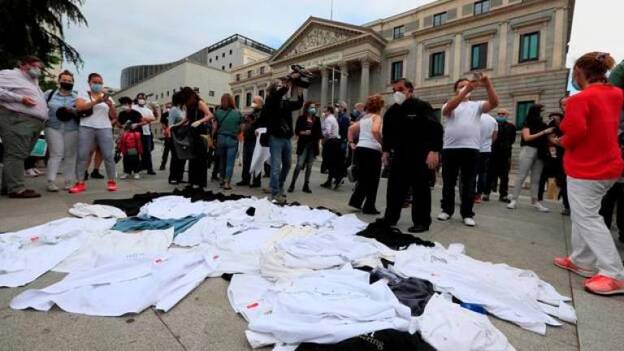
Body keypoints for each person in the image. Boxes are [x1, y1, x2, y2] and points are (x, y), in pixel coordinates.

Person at [554, 52, 624, 296]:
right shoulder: (617, 94)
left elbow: (575, 133)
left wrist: (562, 137)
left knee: (587, 217)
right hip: (610, 164)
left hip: (587, 167)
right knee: (586, 213)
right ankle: (581, 260)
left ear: (579, 72)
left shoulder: (579, 99)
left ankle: (614, 273)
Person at [380, 78, 443, 233]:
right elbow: (387, 133)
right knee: (394, 188)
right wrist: (386, 151)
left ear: (410, 90)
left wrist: (434, 151)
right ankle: (390, 218)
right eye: (394, 90)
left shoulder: (422, 106)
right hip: (399, 155)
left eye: (400, 89)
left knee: (420, 189)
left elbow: (436, 128)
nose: (397, 93)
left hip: (420, 155)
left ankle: (422, 222)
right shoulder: (392, 111)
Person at [438, 74, 499, 227]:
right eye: (461, 86)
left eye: (467, 85)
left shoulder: (477, 105)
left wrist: (487, 84)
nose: (465, 88)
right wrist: (464, 91)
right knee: (449, 182)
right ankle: (447, 210)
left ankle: (467, 213)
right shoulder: (449, 103)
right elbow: (447, 111)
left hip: (471, 149)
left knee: (469, 183)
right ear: (456, 90)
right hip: (450, 149)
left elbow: (494, 103)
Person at [0, 56, 47, 198]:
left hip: (31, 122)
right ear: (23, 65)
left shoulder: (33, 81)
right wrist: (20, 99)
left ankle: (8, 186)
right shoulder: (10, 74)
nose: (38, 70)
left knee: (20, 154)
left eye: (40, 67)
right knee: (16, 153)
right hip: (18, 119)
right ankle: (16, 189)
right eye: (35, 66)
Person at [70, 73, 118, 193]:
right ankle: (80, 182)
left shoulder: (108, 98)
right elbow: (79, 107)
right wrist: (96, 101)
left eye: (99, 82)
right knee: (82, 155)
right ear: (89, 82)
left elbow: (114, 116)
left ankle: (111, 181)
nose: (97, 84)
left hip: (105, 127)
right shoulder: (83, 94)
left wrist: (110, 106)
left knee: (108, 155)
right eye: (95, 82)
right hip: (86, 126)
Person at [258, 79, 304, 203]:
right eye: (278, 85)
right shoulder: (271, 100)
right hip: (275, 138)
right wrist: (287, 85)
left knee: (288, 164)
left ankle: (280, 185)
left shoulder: (285, 102)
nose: (281, 87)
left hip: (286, 138)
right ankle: (275, 192)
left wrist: (300, 94)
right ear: (274, 88)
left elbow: (298, 105)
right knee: (276, 166)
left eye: (281, 85)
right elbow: (277, 96)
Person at [506, 104, 553, 211]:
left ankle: (535, 201)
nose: (542, 113)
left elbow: (550, 138)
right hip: (528, 149)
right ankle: (514, 199)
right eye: (541, 111)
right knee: (521, 176)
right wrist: (544, 132)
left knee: (536, 178)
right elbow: (527, 138)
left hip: (540, 151)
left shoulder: (544, 124)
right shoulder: (527, 123)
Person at [347, 95, 384, 214]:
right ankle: (369, 206)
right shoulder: (377, 117)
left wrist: (351, 142)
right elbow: (375, 130)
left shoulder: (364, 118)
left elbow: (351, 129)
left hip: (361, 148)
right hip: (372, 150)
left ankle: (356, 201)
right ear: (380, 106)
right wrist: (382, 144)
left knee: (363, 178)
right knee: (373, 179)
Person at [44, 70, 79, 192]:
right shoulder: (49, 94)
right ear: (59, 81)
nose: (67, 82)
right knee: (56, 153)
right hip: (53, 126)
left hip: (72, 128)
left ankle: (69, 181)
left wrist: (72, 111)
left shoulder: (77, 96)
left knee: (70, 155)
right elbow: (41, 107)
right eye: (64, 80)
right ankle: (51, 181)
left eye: (69, 81)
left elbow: (82, 111)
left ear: (73, 82)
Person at [178, 87, 214, 190]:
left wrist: (200, 121)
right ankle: (192, 180)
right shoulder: (188, 105)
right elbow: (186, 119)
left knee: (200, 158)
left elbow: (210, 115)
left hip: (200, 133)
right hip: (192, 132)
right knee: (192, 158)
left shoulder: (200, 103)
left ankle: (200, 182)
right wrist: (175, 125)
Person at [537, 111, 570, 214]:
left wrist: (555, 140)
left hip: (561, 159)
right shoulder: (548, 128)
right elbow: (544, 139)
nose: (552, 119)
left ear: (561, 119)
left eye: (555, 117)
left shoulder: (565, 129)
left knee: (563, 182)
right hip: (548, 158)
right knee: (541, 179)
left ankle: (566, 206)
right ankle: (538, 201)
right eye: (551, 117)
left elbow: (564, 143)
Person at [288, 102, 322, 193]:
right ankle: (292, 184)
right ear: (306, 108)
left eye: (314, 107)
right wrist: (303, 132)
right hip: (303, 144)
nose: (313, 109)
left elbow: (319, 133)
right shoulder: (301, 118)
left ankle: (306, 185)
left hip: (313, 145)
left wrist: (315, 136)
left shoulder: (317, 119)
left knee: (310, 166)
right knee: (299, 164)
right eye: (311, 107)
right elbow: (297, 131)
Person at [484, 109, 516, 202]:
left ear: (507, 115)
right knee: (489, 174)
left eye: (503, 114)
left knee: (504, 176)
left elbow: (512, 140)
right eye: (499, 114)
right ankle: (486, 193)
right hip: (492, 153)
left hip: (505, 154)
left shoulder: (511, 126)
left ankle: (503, 195)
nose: (501, 115)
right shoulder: (492, 124)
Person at [214, 93, 243, 190]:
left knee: (222, 160)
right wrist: (237, 131)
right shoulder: (237, 113)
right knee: (230, 162)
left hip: (221, 138)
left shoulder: (217, 112)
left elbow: (214, 127)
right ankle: (227, 182)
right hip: (232, 139)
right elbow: (241, 127)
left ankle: (221, 180)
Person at [237, 96, 263, 187]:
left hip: (257, 140)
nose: (252, 103)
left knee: (256, 160)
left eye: (254, 101)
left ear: (260, 103)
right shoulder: (251, 113)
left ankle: (256, 181)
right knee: (246, 160)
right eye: (252, 101)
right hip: (248, 139)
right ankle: (245, 179)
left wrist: (251, 121)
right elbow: (244, 123)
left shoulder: (262, 113)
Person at [116, 97, 144, 179]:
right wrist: (121, 126)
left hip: (135, 136)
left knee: (134, 154)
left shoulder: (136, 113)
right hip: (125, 136)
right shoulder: (121, 114)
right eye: (123, 104)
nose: (124, 106)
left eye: (125, 104)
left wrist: (137, 124)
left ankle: (136, 171)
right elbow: (119, 124)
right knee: (125, 154)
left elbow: (143, 121)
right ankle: (126, 172)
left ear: (130, 104)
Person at [474, 113, 498, 202]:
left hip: (474, 148)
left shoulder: (475, 117)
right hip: (486, 150)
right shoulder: (493, 120)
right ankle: (478, 195)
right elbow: (495, 136)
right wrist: (488, 143)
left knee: (472, 172)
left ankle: (471, 192)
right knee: (482, 172)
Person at [132, 93, 156, 175]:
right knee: (135, 151)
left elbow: (153, 118)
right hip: (135, 132)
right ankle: (134, 168)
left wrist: (143, 119)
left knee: (147, 152)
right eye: (140, 98)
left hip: (146, 133)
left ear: (145, 100)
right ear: (137, 99)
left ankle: (149, 168)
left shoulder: (148, 110)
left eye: (143, 98)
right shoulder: (133, 107)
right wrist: (146, 120)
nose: (141, 99)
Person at [320, 105, 343, 190]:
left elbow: (328, 133)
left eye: (325, 111)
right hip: (335, 141)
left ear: (329, 111)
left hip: (331, 142)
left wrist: (323, 140)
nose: (324, 112)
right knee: (332, 161)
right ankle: (330, 181)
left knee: (328, 160)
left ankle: (337, 178)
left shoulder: (328, 119)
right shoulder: (333, 118)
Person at [167, 92, 187, 184]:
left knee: (183, 157)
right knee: (175, 158)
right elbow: (170, 125)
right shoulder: (174, 109)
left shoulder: (184, 109)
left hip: (184, 136)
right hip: (175, 136)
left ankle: (180, 177)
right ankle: (173, 177)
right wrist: (183, 122)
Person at [159, 102, 172, 171]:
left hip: (174, 134)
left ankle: (174, 165)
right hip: (167, 134)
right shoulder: (164, 115)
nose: (168, 108)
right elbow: (163, 123)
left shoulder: (174, 114)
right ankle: (163, 165)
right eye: (167, 107)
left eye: (170, 107)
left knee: (175, 151)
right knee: (166, 151)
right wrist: (165, 129)